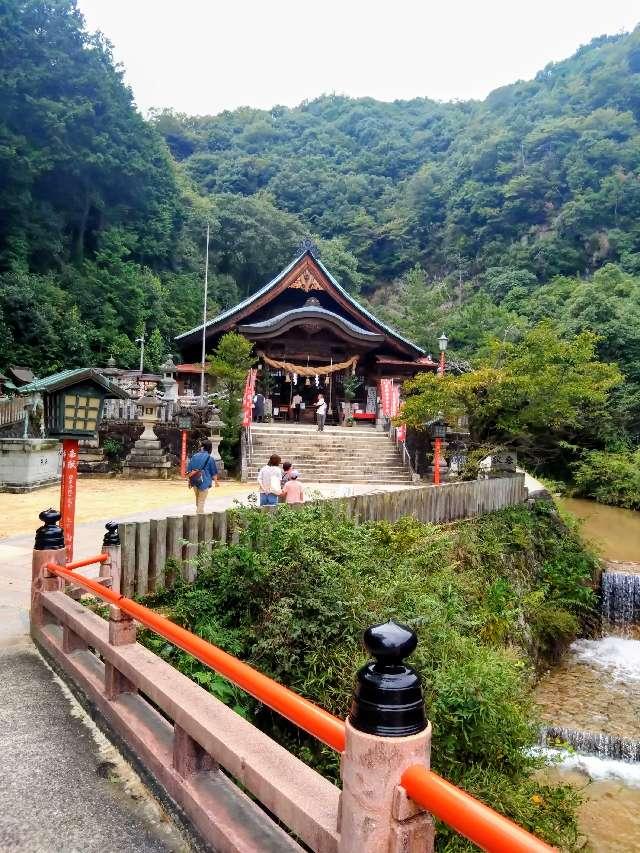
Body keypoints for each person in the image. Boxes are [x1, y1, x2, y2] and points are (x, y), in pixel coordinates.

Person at [186, 440, 218, 514]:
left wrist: (189, 480)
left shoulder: (194, 456)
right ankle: (200, 516)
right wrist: (216, 482)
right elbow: (214, 472)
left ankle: (198, 514)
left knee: (198, 499)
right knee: (201, 501)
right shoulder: (210, 458)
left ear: (202, 447)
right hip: (204, 482)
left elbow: (189, 470)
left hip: (194, 480)